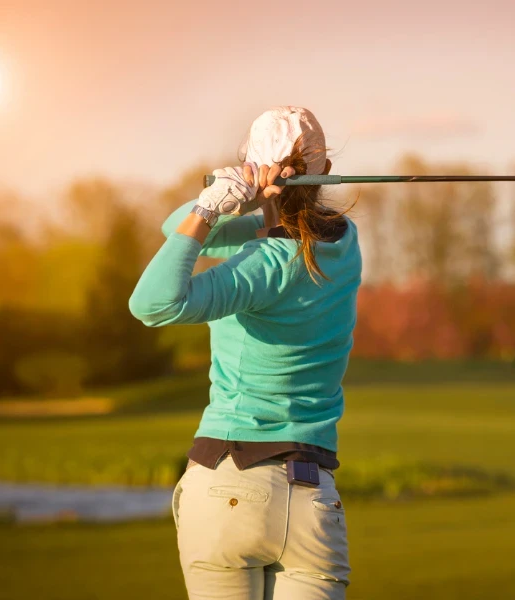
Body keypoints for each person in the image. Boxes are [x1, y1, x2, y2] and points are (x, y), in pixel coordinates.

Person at [129, 106, 360, 600]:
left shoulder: (261, 267)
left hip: (227, 483)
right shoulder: (345, 243)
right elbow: (187, 229)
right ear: (324, 171)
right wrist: (255, 207)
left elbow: (151, 303)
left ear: (252, 164)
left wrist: (213, 204)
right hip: (313, 498)